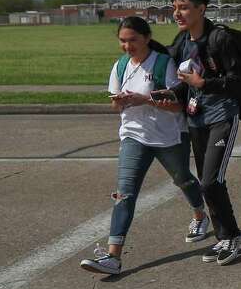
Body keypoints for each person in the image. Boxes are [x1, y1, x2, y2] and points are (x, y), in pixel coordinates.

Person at [80, 16, 209, 275]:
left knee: (183, 178)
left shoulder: (163, 64)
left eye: (133, 40)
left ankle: (200, 215)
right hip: (133, 135)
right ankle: (113, 257)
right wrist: (120, 101)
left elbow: (176, 104)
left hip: (168, 136)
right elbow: (114, 105)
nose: (127, 46)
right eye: (123, 41)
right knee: (124, 193)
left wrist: (144, 99)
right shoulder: (120, 66)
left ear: (147, 38)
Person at [168, 0, 241, 266]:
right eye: (175, 7)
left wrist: (205, 83)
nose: (177, 13)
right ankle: (222, 236)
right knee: (206, 183)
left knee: (211, 180)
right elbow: (184, 84)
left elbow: (238, 80)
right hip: (196, 118)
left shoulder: (220, 39)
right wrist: (169, 93)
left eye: (184, 8)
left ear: (202, 8)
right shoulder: (181, 41)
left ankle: (232, 235)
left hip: (222, 115)